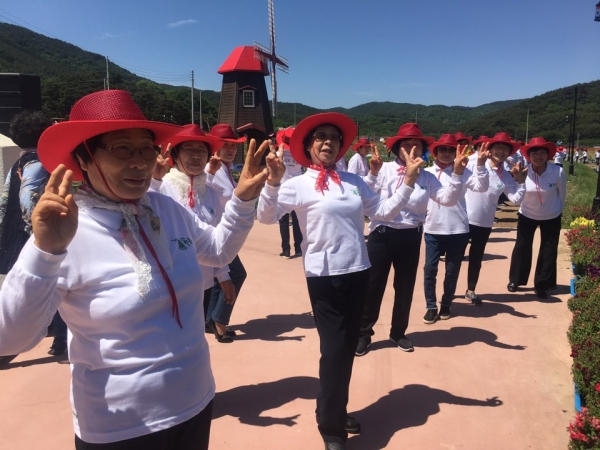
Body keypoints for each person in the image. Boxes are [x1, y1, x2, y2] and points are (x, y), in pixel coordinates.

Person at [0, 90, 269, 449]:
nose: (140, 162)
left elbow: (217, 251)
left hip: (195, 402)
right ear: (84, 157)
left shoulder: (166, 209)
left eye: (146, 149)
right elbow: (10, 338)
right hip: (120, 426)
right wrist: (44, 252)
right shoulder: (65, 228)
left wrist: (243, 200)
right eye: (122, 149)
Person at [257, 112, 419, 450]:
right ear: (308, 146)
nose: (328, 142)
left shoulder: (353, 182)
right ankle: (331, 427)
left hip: (358, 271)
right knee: (333, 353)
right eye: (320, 137)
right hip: (323, 278)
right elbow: (266, 216)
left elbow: (383, 211)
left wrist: (407, 184)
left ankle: (332, 407)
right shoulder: (297, 184)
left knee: (345, 352)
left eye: (333, 137)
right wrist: (272, 183)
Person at [356, 123, 468, 355]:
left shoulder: (426, 177)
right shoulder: (383, 168)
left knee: (405, 288)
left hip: (410, 236)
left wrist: (457, 173)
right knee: (373, 287)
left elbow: (446, 199)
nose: (412, 149)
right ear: (397, 148)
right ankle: (363, 333)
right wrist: (373, 173)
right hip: (381, 235)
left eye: (417, 145)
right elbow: (364, 199)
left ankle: (398, 332)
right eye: (406, 145)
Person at [150, 124, 238, 343]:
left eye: (202, 151)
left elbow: (216, 239)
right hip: (170, 284)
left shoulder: (210, 193)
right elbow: (142, 213)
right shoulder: (162, 187)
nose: (196, 156)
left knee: (195, 341)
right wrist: (153, 180)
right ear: (175, 155)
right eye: (189, 149)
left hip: (203, 282)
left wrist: (224, 276)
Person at [0, 110, 68, 356]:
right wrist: (36, 229)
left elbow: (6, 197)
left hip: (16, 231)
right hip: (35, 233)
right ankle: (61, 340)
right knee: (56, 282)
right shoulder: (38, 163)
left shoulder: (20, 162)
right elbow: (27, 197)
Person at [422, 134, 489, 324]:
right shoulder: (427, 172)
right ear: (435, 152)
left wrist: (481, 165)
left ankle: (446, 304)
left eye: (450, 150)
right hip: (433, 228)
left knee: (452, 271)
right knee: (430, 270)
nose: (446, 153)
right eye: (442, 149)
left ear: (457, 152)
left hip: (458, 229)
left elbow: (481, 187)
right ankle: (430, 306)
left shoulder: (462, 171)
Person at [464, 132, 527, 304]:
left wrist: (521, 181)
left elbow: (516, 199)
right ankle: (448, 295)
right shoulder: (472, 163)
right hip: (463, 219)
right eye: (497, 147)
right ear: (489, 149)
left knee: (476, 258)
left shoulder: (506, 175)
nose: (501, 151)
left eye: (505, 148)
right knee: (455, 259)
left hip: (484, 222)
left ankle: (471, 290)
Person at [507, 137, 566, 299]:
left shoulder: (557, 172)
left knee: (548, 250)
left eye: (542, 153)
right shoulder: (523, 171)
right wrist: (519, 179)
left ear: (548, 155)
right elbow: (516, 192)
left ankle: (542, 284)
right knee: (522, 247)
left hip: (551, 216)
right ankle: (516, 280)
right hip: (527, 214)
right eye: (534, 153)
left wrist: (557, 211)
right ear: (529, 156)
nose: (538, 157)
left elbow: (562, 195)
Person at [205, 123, 248, 342]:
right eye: (225, 144)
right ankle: (219, 321)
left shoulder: (226, 170)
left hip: (225, 233)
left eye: (233, 145)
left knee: (219, 277)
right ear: (215, 146)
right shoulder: (211, 170)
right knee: (236, 274)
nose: (230, 149)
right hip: (216, 234)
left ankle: (210, 319)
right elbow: (201, 192)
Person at [276, 127, 303, 259]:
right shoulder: (299, 154)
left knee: (284, 221)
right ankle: (299, 248)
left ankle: (286, 250)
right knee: (297, 221)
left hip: (283, 190)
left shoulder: (279, 154)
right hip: (297, 189)